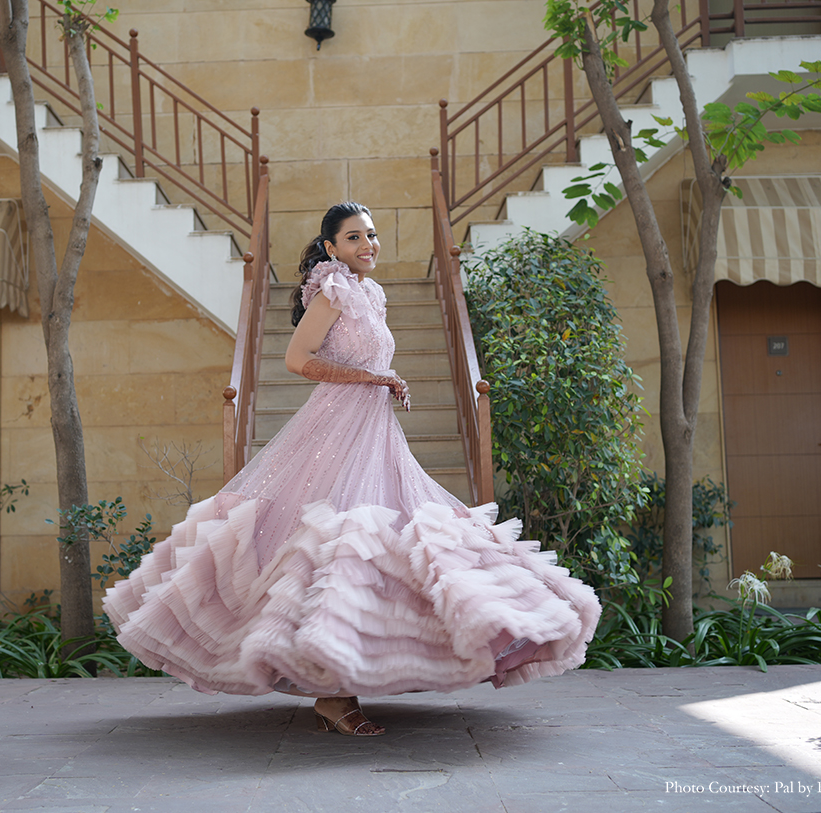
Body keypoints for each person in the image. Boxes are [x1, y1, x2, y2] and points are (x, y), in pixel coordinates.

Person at [103, 202, 601, 737]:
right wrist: (373, 379)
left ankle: (341, 682)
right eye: (354, 237)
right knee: (337, 543)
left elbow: (369, 359)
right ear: (332, 247)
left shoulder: (371, 292)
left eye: (372, 234)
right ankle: (334, 696)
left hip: (374, 426)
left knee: (391, 541)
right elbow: (298, 359)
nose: (368, 244)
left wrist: (385, 378)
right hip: (336, 424)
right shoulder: (333, 289)